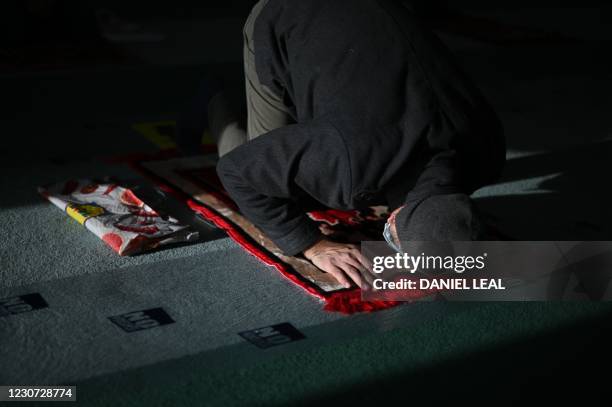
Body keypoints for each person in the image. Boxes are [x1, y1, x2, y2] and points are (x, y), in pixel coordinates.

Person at [181, 0, 505, 289]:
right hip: (287, 12)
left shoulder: (488, 151)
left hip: (373, 19)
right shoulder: (345, 164)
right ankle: (215, 99)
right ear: (389, 223)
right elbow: (238, 171)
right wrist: (312, 245)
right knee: (276, 180)